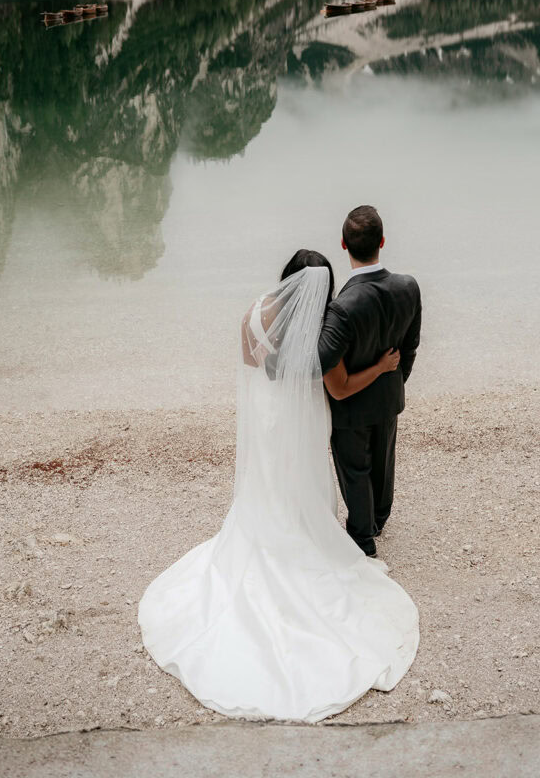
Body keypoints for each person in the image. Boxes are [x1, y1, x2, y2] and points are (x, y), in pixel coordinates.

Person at [138, 249, 419, 722]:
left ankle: (267, 535)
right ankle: (303, 538)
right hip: (296, 420)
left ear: (286, 278)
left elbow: (253, 366)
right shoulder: (311, 328)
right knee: (300, 482)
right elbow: (330, 384)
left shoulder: (254, 308)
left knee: (265, 483)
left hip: (265, 418)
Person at [319, 206, 422, 558]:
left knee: (356, 469)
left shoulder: (342, 307)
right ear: (382, 241)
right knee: (383, 460)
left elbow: (321, 360)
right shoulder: (408, 287)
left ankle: (363, 538)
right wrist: (392, 380)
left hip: (350, 406)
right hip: (389, 396)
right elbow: (410, 347)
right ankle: (378, 519)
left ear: (343, 245)